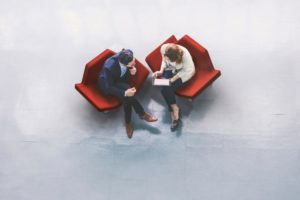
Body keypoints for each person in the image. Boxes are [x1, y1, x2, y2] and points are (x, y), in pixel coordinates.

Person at [98, 49, 158, 138]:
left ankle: (132, 120)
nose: (135, 62)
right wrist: (125, 93)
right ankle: (137, 117)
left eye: (134, 60)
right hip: (110, 84)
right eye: (132, 63)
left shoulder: (128, 52)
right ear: (125, 64)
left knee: (129, 98)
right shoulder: (109, 68)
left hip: (121, 79)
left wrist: (132, 68)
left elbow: (130, 62)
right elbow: (108, 87)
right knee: (128, 98)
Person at [153, 43, 195, 131]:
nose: (166, 58)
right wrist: (161, 71)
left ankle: (173, 111)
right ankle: (175, 108)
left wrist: (172, 79)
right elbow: (164, 61)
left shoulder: (185, 57)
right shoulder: (164, 48)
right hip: (171, 70)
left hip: (184, 74)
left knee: (165, 89)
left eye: (169, 58)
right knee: (165, 89)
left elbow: (188, 71)